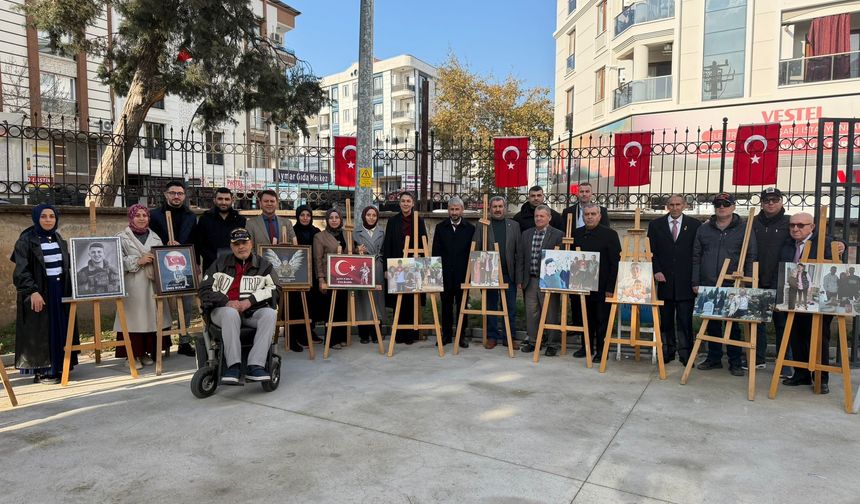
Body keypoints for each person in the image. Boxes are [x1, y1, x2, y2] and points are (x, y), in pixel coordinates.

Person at [198, 228, 278, 383]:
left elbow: (276, 289)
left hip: (251, 311)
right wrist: (226, 301)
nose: (241, 247)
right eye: (237, 244)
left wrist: (250, 301)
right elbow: (204, 289)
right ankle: (233, 365)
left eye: (244, 242)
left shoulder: (264, 265)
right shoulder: (219, 264)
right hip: (222, 312)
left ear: (251, 243)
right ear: (231, 246)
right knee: (230, 313)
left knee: (269, 314)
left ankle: (256, 365)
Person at [11, 204, 78, 384]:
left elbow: (66, 266)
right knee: (43, 332)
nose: (48, 220)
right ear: (36, 218)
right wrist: (32, 291)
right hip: (40, 291)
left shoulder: (58, 238)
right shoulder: (26, 240)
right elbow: (21, 271)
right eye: (44, 216)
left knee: (60, 328)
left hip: (60, 291)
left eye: (52, 216)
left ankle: (61, 366)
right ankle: (44, 370)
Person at [692, 193, 757, 377]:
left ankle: (735, 361)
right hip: (709, 282)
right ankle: (714, 358)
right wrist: (695, 281)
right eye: (718, 204)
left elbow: (751, 257)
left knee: (733, 324)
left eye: (726, 204)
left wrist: (749, 282)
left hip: (733, 283)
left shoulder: (744, 229)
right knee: (711, 323)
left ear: (733, 207)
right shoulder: (704, 229)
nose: (722, 207)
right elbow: (696, 256)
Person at [779, 212, 835, 394]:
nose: (795, 228)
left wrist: (841, 242)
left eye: (801, 225)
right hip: (794, 297)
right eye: (792, 225)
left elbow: (836, 252)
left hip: (818, 301)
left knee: (819, 339)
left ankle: (821, 378)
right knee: (796, 336)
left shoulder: (826, 243)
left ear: (812, 227)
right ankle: (801, 374)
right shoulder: (788, 243)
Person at [114, 204, 171, 369]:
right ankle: (132, 356)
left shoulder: (155, 237)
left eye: (144, 215)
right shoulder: (121, 237)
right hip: (133, 284)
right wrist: (137, 261)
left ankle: (146, 352)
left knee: (151, 318)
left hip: (152, 283)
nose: (141, 218)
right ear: (131, 217)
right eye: (137, 215)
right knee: (134, 320)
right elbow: (115, 260)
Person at [647, 194, 701, 365]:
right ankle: (667, 351)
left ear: (684, 205)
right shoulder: (656, 225)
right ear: (667, 206)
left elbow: (697, 253)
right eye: (672, 204)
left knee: (685, 321)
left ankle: (686, 354)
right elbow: (651, 251)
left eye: (678, 204)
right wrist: (656, 270)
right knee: (666, 320)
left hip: (686, 282)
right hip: (664, 280)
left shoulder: (694, 225)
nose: (675, 207)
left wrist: (695, 279)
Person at [149, 180, 198, 357]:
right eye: (173, 193)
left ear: (184, 196)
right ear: (166, 194)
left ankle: (184, 341)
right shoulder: (154, 216)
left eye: (180, 193)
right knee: (161, 306)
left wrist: (196, 265)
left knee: (185, 305)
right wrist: (164, 246)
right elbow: (150, 239)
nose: (176, 196)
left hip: (185, 266)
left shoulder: (191, 217)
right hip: (162, 266)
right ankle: (160, 343)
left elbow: (196, 241)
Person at [571, 203, 622, 362]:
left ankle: (601, 350)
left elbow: (615, 263)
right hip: (581, 285)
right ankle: (585, 346)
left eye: (593, 214)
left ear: (600, 216)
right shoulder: (576, 234)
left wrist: (610, 287)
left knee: (601, 319)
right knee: (584, 317)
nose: (590, 217)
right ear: (583, 217)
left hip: (602, 286)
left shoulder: (610, 235)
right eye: (587, 214)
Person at [473, 196, 521, 349]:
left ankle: (509, 337)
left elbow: (518, 253)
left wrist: (518, 277)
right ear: (490, 209)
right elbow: (477, 249)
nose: (498, 209)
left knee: (510, 307)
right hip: (488, 273)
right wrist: (478, 274)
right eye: (495, 207)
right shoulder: (483, 226)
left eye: (500, 206)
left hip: (509, 273)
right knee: (491, 306)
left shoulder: (514, 225)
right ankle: (492, 336)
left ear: (505, 208)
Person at [751, 187, 790, 370]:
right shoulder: (753, 222)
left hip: (781, 281)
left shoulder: (790, 223)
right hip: (757, 279)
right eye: (767, 200)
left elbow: (815, 236)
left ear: (781, 201)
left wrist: (842, 244)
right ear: (762, 203)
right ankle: (757, 359)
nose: (771, 203)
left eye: (774, 200)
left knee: (782, 324)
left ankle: (784, 363)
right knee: (756, 323)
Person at [381, 192, 428, 344]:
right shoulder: (392, 221)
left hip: (413, 266)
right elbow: (387, 244)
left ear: (413, 203)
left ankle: (411, 335)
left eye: (408, 201)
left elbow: (423, 243)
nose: (406, 204)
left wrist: (423, 266)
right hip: (397, 265)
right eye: (403, 201)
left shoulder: (418, 221)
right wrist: (386, 268)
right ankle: (399, 334)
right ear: (399, 203)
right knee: (398, 299)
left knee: (411, 299)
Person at [516, 205, 563, 355]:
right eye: (536, 216)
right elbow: (521, 258)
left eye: (542, 216)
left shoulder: (558, 235)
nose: (538, 219)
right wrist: (520, 279)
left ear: (549, 217)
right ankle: (533, 341)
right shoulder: (526, 234)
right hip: (530, 280)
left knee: (551, 312)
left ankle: (552, 344)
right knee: (532, 312)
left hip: (549, 281)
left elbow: (561, 260)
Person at [431, 197, 475, 347]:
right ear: (448, 210)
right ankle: (446, 335)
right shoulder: (440, 227)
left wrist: (470, 275)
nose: (454, 212)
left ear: (462, 210)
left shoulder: (470, 228)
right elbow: (435, 252)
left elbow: (472, 253)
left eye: (457, 209)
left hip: (463, 275)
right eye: (452, 209)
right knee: (446, 306)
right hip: (445, 275)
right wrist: (436, 274)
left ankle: (461, 336)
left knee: (462, 307)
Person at [313, 208, 350, 348]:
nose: (334, 220)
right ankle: (332, 340)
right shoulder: (320, 237)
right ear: (327, 220)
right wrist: (321, 279)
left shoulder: (346, 234)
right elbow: (317, 259)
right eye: (331, 217)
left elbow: (350, 251)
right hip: (329, 278)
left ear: (341, 219)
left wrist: (359, 250)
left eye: (337, 217)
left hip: (345, 277)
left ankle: (341, 337)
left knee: (342, 307)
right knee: (331, 309)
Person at [291, 205, 323, 350]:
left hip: (312, 273)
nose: (305, 218)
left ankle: (310, 330)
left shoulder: (316, 232)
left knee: (312, 303)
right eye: (302, 215)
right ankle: (298, 334)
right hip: (297, 274)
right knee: (297, 304)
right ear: (297, 216)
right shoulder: (292, 231)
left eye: (308, 215)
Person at [354, 205, 386, 344]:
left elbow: (385, 249)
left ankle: (376, 332)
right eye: (368, 215)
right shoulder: (356, 232)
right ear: (364, 216)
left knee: (377, 298)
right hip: (363, 267)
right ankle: (364, 333)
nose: (371, 218)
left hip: (377, 266)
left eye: (374, 215)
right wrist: (356, 250)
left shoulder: (382, 232)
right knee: (363, 299)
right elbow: (350, 250)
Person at [193, 187, 247, 272]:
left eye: (227, 199)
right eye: (220, 199)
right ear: (214, 200)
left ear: (232, 200)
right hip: (211, 265)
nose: (223, 202)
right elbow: (199, 243)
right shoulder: (205, 219)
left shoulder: (240, 220)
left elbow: (244, 243)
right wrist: (197, 262)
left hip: (235, 266)